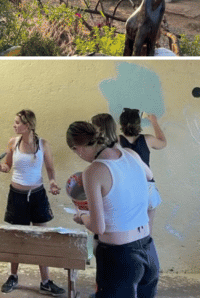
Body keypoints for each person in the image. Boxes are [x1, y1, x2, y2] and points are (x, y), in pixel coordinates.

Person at [67, 121, 159, 298]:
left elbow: (98, 227)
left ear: (77, 148)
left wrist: (82, 216)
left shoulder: (93, 170)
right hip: (148, 248)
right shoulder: (131, 154)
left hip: (120, 256)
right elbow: (150, 178)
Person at [0, 110, 65, 295]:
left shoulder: (43, 144)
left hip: (37, 195)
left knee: (40, 238)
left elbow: (50, 169)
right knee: (17, 238)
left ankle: (45, 281)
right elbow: (8, 166)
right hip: (17, 196)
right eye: (14, 122)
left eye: (17, 122)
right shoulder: (13, 142)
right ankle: (13, 276)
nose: (14, 125)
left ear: (28, 125)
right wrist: (0, 167)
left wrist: (53, 183)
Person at [119, 108, 166, 232]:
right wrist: (154, 122)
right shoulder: (147, 139)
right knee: (147, 228)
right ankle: (145, 247)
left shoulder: (117, 141)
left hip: (126, 188)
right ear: (138, 124)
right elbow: (163, 143)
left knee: (128, 226)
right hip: (146, 186)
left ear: (121, 124)